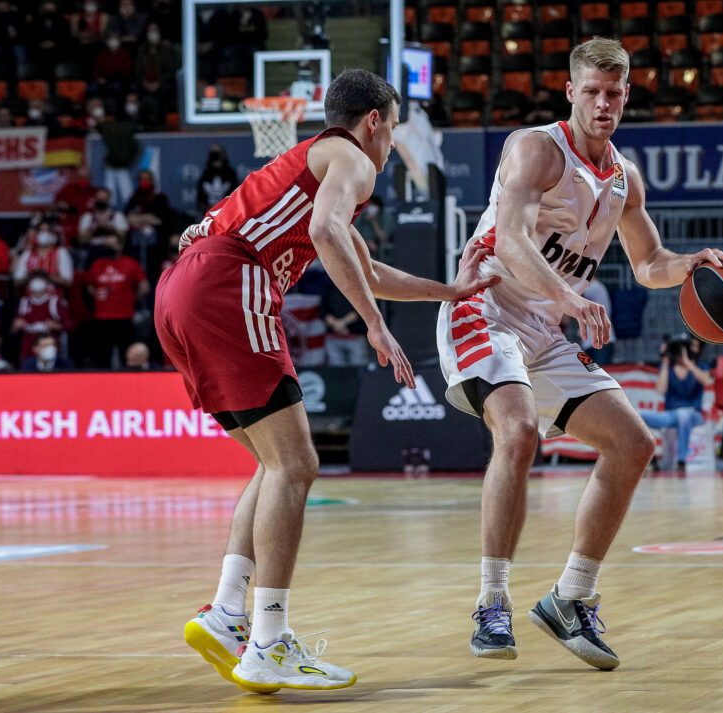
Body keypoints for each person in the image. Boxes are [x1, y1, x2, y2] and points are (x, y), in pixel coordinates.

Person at [158, 69, 497, 693]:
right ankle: (269, 642)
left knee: (274, 464)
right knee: (297, 465)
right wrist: (375, 325)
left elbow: (367, 268)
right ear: (373, 121)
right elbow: (326, 234)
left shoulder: (314, 169)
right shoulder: (352, 159)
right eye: (393, 129)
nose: (391, 144)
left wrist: (451, 291)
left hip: (181, 289)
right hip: (228, 283)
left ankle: (228, 612)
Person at [434, 39, 723, 669]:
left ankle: (571, 597)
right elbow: (512, 241)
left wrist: (691, 264)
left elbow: (649, 263)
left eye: (614, 93)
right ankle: (492, 601)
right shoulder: (536, 149)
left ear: (627, 95)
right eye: (592, 92)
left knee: (634, 444)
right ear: (570, 92)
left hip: (544, 330)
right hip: (484, 310)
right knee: (519, 431)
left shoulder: (625, 179)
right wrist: (569, 298)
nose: (603, 104)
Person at [639, 334, 712, 469]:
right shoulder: (669, 367)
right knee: (636, 414)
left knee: (683, 415)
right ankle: (649, 456)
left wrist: (688, 362)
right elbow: (660, 389)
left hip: (694, 414)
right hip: (671, 415)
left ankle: (681, 461)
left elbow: (706, 381)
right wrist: (665, 362)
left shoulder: (702, 366)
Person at [87, 231, 148, 368]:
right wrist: (97, 295)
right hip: (102, 316)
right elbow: (89, 285)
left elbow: (144, 286)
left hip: (124, 316)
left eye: (112, 244)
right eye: (107, 244)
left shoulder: (130, 263)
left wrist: (131, 298)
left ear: (120, 245)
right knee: (102, 355)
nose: (109, 247)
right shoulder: (97, 264)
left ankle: (129, 378)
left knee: (126, 353)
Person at [320, 281, 367, 366]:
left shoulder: (358, 286)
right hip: (333, 337)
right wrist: (337, 325)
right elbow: (323, 312)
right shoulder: (329, 287)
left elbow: (361, 311)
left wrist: (342, 323)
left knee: (358, 368)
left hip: (355, 336)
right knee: (336, 369)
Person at [197, 145, 239, 215]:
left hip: (226, 212)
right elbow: (200, 198)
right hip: (208, 213)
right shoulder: (206, 174)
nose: (215, 156)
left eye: (218, 153)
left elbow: (234, 195)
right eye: (213, 154)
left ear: (223, 155)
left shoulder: (230, 174)